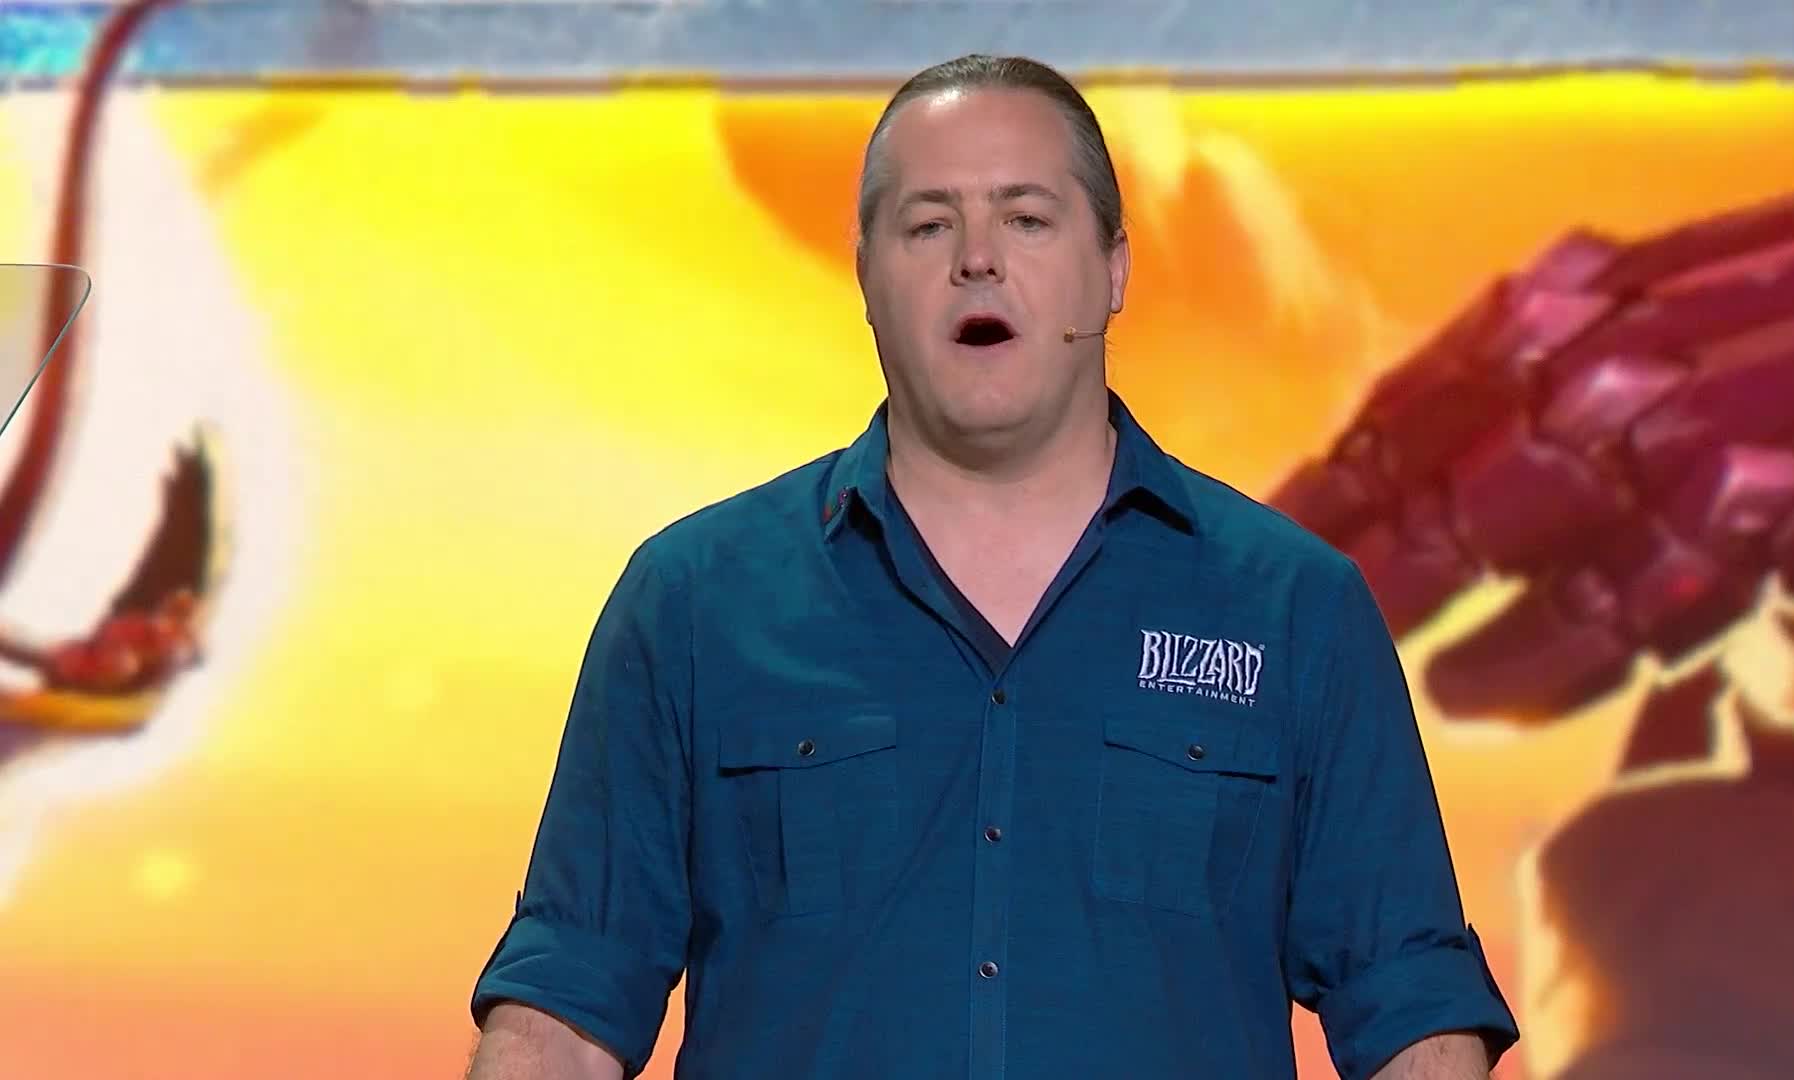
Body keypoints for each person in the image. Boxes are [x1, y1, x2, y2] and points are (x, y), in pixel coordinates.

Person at [464, 53, 1520, 1080]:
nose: (978, 258)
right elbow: (566, 1011)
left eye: (1026, 219)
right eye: (928, 225)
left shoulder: (1295, 608)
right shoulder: (692, 604)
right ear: (867, 275)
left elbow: (1411, 1013)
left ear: (1114, 267)